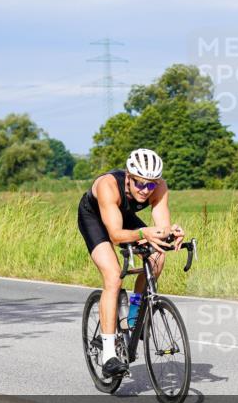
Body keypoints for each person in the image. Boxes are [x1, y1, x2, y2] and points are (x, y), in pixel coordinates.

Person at [77, 149, 185, 377]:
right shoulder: (109, 185)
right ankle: (108, 355)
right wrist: (144, 232)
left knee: (157, 255)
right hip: (95, 218)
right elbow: (116, 235)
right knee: (114, 276)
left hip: (123, 216)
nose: (145, 191)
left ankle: (133, 318)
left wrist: (171, 234)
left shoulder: (159, 187)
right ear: (128, 176)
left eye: (151, 185)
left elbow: (162, 226)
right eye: (140, 184)